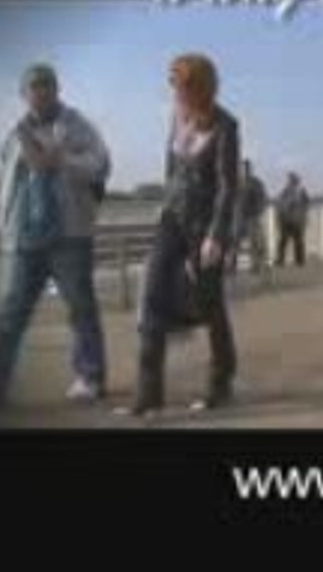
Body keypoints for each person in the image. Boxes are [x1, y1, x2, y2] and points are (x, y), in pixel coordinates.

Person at [0, 64, 111, 410]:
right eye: (33, 87)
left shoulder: (77, 125)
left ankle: (90, 377)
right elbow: (0, 185)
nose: (41, 92)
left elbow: (101, 164)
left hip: (69, 234)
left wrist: (62, 159)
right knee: (10, 312)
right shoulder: (15, 134)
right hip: (23, 236)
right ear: (23, 94)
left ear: (57, 89)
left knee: (81, 308)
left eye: (47, 85)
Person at [120, 53, 240, 416]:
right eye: (173, 85)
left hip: (205, 226)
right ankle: (148, 396)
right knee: (152, 295)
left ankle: (220, 382)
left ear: (200, 87)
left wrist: (217, 234)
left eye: (182, 85)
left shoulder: (225, 125)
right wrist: (165, 203)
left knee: (210, 303)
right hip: (172, 219)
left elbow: (228, 186)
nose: (175, 92)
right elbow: (171, 170)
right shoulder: (176, 118)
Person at [229, 159, 268, 276]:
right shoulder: (235, 182)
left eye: (246, 168)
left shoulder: (256, 183)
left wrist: (258, 212)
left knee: (255, 243)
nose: (244, 170)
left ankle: (255, 266)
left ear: (250, 169)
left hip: (252, 218)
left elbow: (262, 199)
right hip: (237, 218)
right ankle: (231, 266)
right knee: (233, 243)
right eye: (242, 168)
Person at [274, 172, 309, 267]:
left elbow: (305, 206)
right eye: (290, 179)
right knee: (284, 241)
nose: (289, 181)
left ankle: (299, 260)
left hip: (296, 221)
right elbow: (280, 203)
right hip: (288, 220)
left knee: (297, 241)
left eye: (291, 180)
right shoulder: (286, 191)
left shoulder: (301, 192)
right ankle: (282, 260)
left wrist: (303, 218)